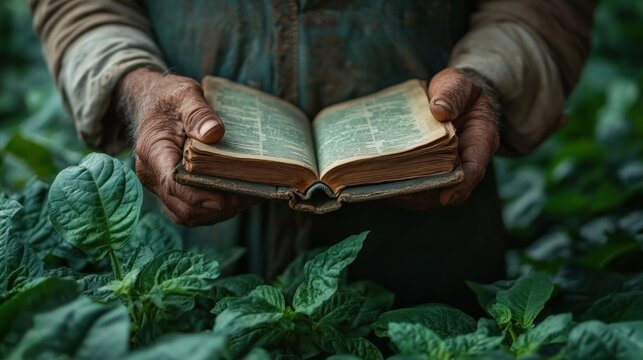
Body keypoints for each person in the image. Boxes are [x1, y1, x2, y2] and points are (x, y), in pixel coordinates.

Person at [30, 0, 595, 309]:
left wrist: (489, 79)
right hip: (181, 273)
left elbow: (542, 9)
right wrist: (134, 89)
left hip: (429, 263)